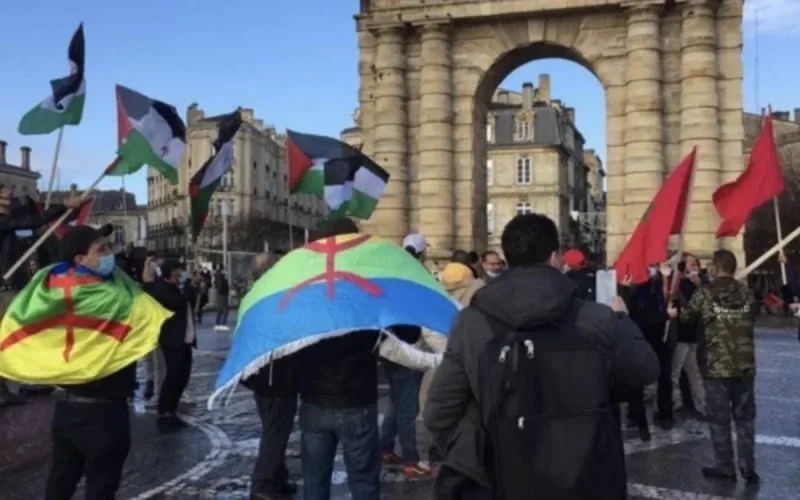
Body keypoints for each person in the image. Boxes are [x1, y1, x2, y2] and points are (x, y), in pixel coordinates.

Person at [424, 213, 658, 499]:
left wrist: (476, 451)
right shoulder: (597, 318)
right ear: (554, 257)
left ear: (507, 259)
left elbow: (439, 411)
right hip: (587, 476)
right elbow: (645, 369)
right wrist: (621, 318)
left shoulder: (471, 322)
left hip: (503, 475)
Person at [44, 224, 136, 500]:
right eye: (102, 249)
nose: (110, 254)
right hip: (103, 412)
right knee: (101, 488)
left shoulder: (53, 292)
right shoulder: (108, 297)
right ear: (80, 261)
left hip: (66, 408)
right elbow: (141, 320)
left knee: (60, 483)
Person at [295, 218, 382, 500]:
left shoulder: (303, 287)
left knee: (314, 483)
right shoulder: (366, 285)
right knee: (364, 482)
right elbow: (406, 331)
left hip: (314, 398)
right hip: (357, 398)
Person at [668, 250, 759, 485]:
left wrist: (674, 311)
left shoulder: (706, 293)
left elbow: (687, 316)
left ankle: (725, 465)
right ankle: (748, 468)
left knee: (719, 420)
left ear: (716, 268)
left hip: (716, 367)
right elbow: (753, 316)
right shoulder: (747, 293)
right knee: (745, 419)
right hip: (744, 366)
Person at [0, 185, 80, 408]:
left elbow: (30, 224)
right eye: (3, 193)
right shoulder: (4, 221)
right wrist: (62, 206)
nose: (8, 195)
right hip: (3, 287)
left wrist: (60, 213)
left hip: (12, 284)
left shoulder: (10, 222)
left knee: (15, 336)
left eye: (6, 192)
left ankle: (19, 382)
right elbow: (27, 223)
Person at [241, 253, 299, 499]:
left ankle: (277, 477)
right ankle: (263, 484)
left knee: (275, 428)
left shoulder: (254, 296)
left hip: (263, 376)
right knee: (275, 431)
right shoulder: (273, 299)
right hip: (276, 376)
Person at [381, 233, 437, 480]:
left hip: (388, 346)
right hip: (409, 347)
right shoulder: (418, 275)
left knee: (396, 400)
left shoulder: (390, 272)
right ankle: (411, 461)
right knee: (407, 407)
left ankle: (384, 448)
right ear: (422, 252)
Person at [149, 259, 196, 431]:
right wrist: (190, 285)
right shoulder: (162, 288)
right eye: (178, 270)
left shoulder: (177, 287)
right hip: (172, 339)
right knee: (173, 375)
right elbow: (177, 303)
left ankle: (172, 410)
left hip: (185, 339)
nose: (181, 274)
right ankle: (165, 411)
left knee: (183, 376)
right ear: (170, 271)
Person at [670, 253, 707, 417]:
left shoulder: (702, 284)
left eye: (695, 264)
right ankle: (673, 404)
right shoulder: (678, 283)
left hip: (695, 335)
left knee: (695, 373)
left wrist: (699, 283)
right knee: (674, 373)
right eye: (690, 264)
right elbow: (670, 297)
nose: (694, 267)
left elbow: (710, 301)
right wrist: (677, 274)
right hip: (681, 335)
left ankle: (702, 407)